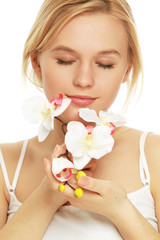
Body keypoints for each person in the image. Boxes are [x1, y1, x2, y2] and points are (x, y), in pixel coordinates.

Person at [0, 0, 160, 239]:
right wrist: (49, 195)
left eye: (105, 64)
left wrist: (121, 210)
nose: (84, 80)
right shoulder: (6, 165)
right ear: (36, 64)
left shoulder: (153, 155)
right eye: (65, 60)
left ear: (127, 70)